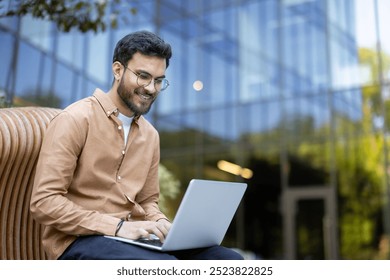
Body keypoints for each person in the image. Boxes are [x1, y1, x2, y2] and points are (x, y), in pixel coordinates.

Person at [30, 30, 243, 260]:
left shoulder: (150, 135)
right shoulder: (75, 119)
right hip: (79, 242)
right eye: (143, 76)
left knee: (229, 261)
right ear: (118, 70)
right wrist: (118, 227)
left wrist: (162, 223)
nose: (151, 88)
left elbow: (147, 201)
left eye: (159, 80)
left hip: (134, 239)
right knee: (163, 266)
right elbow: (44, 202)